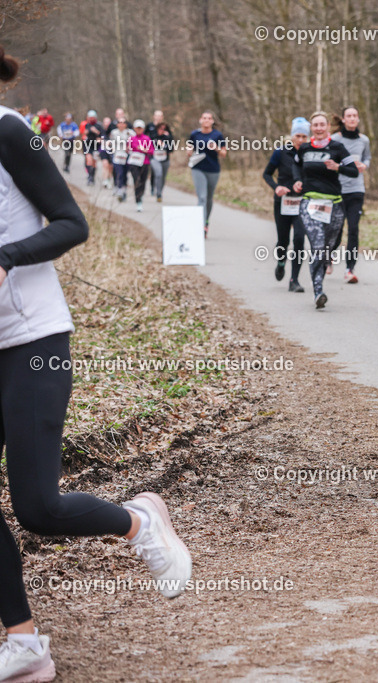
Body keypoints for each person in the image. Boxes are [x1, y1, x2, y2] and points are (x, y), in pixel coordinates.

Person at [0, 48, 192, 683]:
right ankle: (24, 644)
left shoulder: (11, 132)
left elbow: (71, 223)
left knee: (37, 507)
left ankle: (140, 522)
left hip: (31, 339)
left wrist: (6, 256)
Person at [291, 111, 358, 309]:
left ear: (328, 126)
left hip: (334, 204)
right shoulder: (304, 148)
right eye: (315, 125)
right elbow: (295, 166)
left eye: (322, 124)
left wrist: (338, 167)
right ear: (311, 128)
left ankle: (323, 268)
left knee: (328, 247)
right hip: (309, 203)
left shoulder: (337, 147)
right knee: (318, 246)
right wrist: (297, 180)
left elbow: (354, 171)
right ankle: (318, 291)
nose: (319, 128)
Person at [263, 117, 309, 292]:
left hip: (302, 202)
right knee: (283, 240)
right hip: (283, 202)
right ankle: (281, 262)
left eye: (304, 136)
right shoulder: (281, 152)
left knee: (299, 239)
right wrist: (277, 187)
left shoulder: (309, 154)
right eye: (298, 136)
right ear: (292, 136)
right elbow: (267, 174)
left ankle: (294, 280)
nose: (301, 140)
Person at [329, 107, 371, 282]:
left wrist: (364, 165)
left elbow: (367, 157)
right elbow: (329, 161)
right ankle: (329, 256)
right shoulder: (335, 139)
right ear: (344, 119)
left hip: (356, 190)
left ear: (358, 119)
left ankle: (349, 270)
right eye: (349, 116)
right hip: (338, 190)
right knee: (336, 230)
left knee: (353, 229)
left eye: (355, 115)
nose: (352, 118)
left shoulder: (364, 140)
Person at [188, 111, 227, 236]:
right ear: (200, 120)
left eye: (209, 118)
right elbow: (189, 148)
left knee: (209, 198)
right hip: (197, 168)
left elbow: (224, 153)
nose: (206, 120)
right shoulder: (195, 134)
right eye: (204, 118)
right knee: (202, 197)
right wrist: (189, 151)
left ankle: (206, 222)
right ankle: (200, 225)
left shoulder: (217, 135)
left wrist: (216, 148)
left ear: (212, 121)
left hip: (213, 169)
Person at [128, 120, 153, 211]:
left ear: (143, 129)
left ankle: (141, 196)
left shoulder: (147, 139)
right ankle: (138, 200)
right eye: (137, 128)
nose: (138, 130)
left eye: (140, 128)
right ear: (134, 129)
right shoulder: (131, 139)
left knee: (143, 181)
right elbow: (128, 149)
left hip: (144, 163)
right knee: (137, 180)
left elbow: (151, 151)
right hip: (134, 163)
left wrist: (145, 150)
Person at [143, 110, 170, 197]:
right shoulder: (150, 126)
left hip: (164, 155)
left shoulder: (166, 127)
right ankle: (152, 187)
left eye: (160, 116)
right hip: (153, 154)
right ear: (154, 116)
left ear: (162, 117)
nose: (158, 117)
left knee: (161, 174)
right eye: (157, 116)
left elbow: (171, 141)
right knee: (155, 172)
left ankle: (159, 191)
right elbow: (144, 137)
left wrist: (166, 138)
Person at [107, 117, 133, 202]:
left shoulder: (130, 133)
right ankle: (119, 188)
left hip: (127, 156)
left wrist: (129, 148)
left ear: (126, 124)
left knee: (125, 173)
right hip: (117, 155)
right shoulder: (114, 133)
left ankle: (123, 189)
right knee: (118, 172)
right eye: (120, 123)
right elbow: (110, 143)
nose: (121, 124)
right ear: (117, 124)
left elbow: (134, 142)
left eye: (123, 123)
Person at [149, 122, 173, 202]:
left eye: (164, 129)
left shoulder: (168, 138)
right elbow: (148, 146)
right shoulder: (153, 136)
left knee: (163, 177)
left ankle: (159, 192)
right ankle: (155, 190)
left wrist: (164, 144)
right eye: (160, 128)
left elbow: (171, 149)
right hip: (154, 159)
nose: (162, 130)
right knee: (158, 174)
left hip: (165, 160)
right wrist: (156, 143)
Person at [80, 111, 104, 186]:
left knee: (94, 162)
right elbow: (83, 133)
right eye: (90, 118)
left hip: (96, 146)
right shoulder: (87, 125)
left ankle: (92, 177)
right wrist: (86, 132)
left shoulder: (99, 125)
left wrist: (96, 132)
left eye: (92, 118)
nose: (91, 119)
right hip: (88, 145)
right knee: (89, 160)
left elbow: (102, 135)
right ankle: (90, 177)